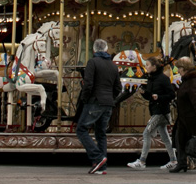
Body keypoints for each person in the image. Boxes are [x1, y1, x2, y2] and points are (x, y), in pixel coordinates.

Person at [76, 38, 122, 175]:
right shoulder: (113, 65)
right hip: (108, 103)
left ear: (94, 50)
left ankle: (98, 157)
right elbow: (118, 87)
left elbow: (88, 83)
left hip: (94, 101)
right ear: (106, 49)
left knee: (81, 129)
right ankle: (101, 167)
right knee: (101, 133)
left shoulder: (92, 62)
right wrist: (110, 97)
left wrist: (84, 98)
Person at [128, 56, 178, 170]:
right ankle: (173, 159)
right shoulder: (151, 79)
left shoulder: (163, 79)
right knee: (165, 136)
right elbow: (150, 96)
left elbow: (171, 95)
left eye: (147, 65)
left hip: (161, 112)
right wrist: (143, 93)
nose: (146, 67)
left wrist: (159, 97)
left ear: (154, 67)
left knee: (146, 133)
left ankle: (142, 161)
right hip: (156, 110)